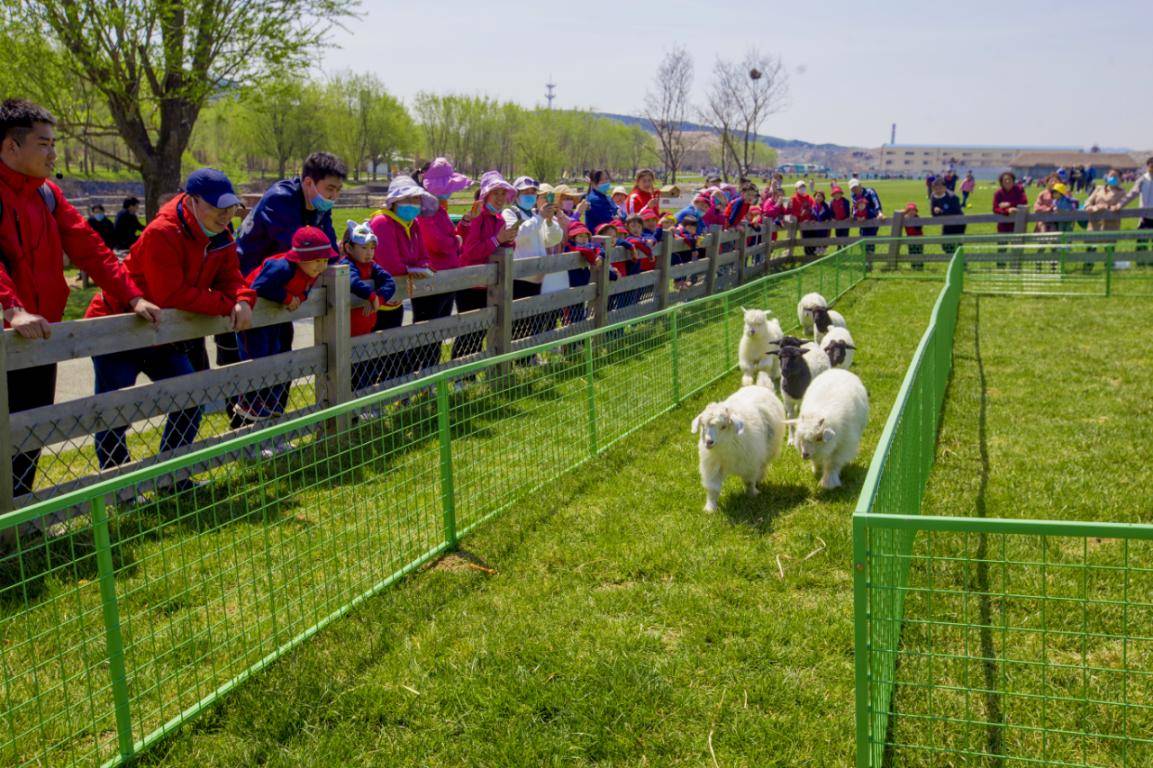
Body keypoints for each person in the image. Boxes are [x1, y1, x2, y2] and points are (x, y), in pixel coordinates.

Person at [0, 98, 162, 498]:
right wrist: (13, 308)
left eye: (54, 142)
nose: (54, 152)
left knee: (32, 424)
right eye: (44, 143)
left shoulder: (47, 194)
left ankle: (20, 521)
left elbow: (90, 248)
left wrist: (132, 297)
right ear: (10, 146)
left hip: (40, 333)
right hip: (10, 329)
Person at [85, 168, 252, 475]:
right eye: (217, 207)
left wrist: (242, 299)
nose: (226, 215)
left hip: (164, 333)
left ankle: (170, 474)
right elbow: (171, 294)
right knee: (116, 409)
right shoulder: (162, 232)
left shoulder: (222, 237)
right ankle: (117, 482)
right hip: (120, 326)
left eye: (230, 208)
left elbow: (232, 278)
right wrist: (227, 303)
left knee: (190, 396)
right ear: (192, 202)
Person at [228, 152, 346, 414]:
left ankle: (274, 425)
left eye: (338, 190)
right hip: (253, 285)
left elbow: (327, 250)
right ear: (308, 183)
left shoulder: (319, 208)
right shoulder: (281, 200)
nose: (334, 196)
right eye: (329, 189)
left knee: (283, 354)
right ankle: (249, 433)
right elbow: (301, 251)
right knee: (258, 360)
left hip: (282, 289)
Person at [234, 226, 334, 425]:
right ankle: (249, 402)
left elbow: (306, 290)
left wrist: (300, 297)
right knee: (257, 356)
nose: (321, 266)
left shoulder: (310, 271)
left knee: (278, 354)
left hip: (275, 320)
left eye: (325, 261)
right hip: (253, 320)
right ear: (300, 258)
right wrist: (287, 297)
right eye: (317, 260)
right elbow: (258, 287)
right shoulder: (282, 268)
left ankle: (271, 403)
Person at [368, 175, 436, 381]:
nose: (412, 205)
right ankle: (367, 400)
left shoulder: (412, 224)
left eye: (416, 200)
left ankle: (392, 395)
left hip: (396, 299)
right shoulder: (381, 223)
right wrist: (411, 269)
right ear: (394, 202)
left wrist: (420, 266)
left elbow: (422, 255)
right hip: (374, 300)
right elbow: (388, 262)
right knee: (373, 353)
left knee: (392, 348)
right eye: (407, 200)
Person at [415, 157, 472, 373]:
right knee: (427, 330)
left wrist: (460, 232)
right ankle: (419, 378)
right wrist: (455, 241)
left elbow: (449, 238)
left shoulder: (439, 208)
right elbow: (435, 242)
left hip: (446, 276)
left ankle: (430, 375)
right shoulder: (426, 210)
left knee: (437, 331)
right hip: (433, 278)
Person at [454, 171, 518, 359]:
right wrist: (498, 239)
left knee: (481, 331)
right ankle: (460, 376)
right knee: (468, 332)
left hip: (489, 283)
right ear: (486, 195)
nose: (500, 198)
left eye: (502, 193)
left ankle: (470, 374)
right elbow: (471, 251)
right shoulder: (477, 217)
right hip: (471, 283)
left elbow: (500, 247)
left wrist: (509, 240)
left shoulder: (499, 219)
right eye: (495, 193)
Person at [340, 221, 398, 396]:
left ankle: (364, 408)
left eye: (372, 248)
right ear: (349, 248)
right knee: (350, 376)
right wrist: (370, 295)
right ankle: (351, 413)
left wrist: (379, 298)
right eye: (364, 248)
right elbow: (352, 281)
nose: (369, 253)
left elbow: (389, 282)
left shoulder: (372, 266)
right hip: (347, 334)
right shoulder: (346, 266)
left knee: (366, 372)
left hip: (366, 331)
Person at [503, 176, 564, 338]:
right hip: (520, 277)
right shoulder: (510, 213)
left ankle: (531, 355)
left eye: (533, 192)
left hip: (538, 276)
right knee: (519, 320)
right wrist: (539, 218)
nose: (530, 195)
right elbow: (517, 235)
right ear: (516, 195)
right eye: (525, 192)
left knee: (535, 318)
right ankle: (520, 357)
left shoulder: (537, 215)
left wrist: (550, 222)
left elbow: (553, 238)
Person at [1115, 157, 1153, 249]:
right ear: (1147, 166)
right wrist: (1120, 204)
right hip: (1145, 216)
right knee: (1142, 242)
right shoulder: (1143, 179)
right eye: (1151, 165)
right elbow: (1132, 193)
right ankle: (1141, 262)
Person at [929, 177, 965, 254]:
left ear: (945, 188)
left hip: (958, 223)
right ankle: (952, 260)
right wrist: (935, 210)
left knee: (956, 244)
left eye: (940, 188)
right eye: (935, 189)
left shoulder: (953, 197)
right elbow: (932, 212)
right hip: (946, 222)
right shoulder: (933, 196)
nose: (937, 191)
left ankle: (960, 262)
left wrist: (941, 211)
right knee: (945, 244)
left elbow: (956, 211)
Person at [850, 179, 884, 254]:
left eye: (856, 187)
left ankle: (870, 258)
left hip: (872, 217)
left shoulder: (870, 191)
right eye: (852, 188)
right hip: (862, 220)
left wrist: (879, 212)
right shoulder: (853, 195)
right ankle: (865, 257)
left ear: (860, 185)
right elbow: (855, 207)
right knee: (862, 237)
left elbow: (876, 202)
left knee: (871, 237)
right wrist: (855, 217)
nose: (854, 189)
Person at [787, 180, 817, 255]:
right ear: (796, 189)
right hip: (800, 223)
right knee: (805, 238)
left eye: (804, 186)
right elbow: (790, 211)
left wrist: (810, 210)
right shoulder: (793, 198)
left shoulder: (808, 197)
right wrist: (800, 214)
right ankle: (808, 254)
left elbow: (814, 206)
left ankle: (813, 253)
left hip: (810, 221)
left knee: (813, 236)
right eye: (800, 187)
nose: (803, 188)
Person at [903, 202, 925, 269]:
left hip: (918, 239)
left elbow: (919, 228)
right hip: (910, 239)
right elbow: (900, 215)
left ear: (916, 212)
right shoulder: (905, 219)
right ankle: (913, 265)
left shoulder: (917, 218)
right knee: (912, 252)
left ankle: (920, 265)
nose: (912, 212)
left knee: (919, 252)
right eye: (910, 211)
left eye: (913, 210)